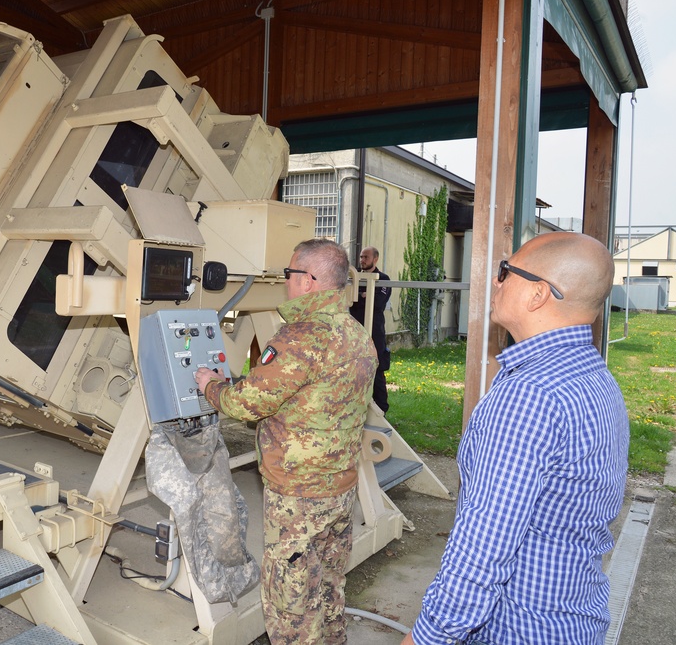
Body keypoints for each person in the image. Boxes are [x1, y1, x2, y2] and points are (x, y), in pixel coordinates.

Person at [403, 232, 629, 645]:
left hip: (518, 629)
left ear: (538, 294)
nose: (495, 281)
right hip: (573, 617)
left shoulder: (532, 393)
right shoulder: (594, 377)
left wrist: (427, 637)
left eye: (506, 272)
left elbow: (484, 548)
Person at [195, 239, 377, 645]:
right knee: (328, 587)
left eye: (289, 274)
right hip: (340, 488)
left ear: (308, 282)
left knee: (291, 605)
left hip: (298, 496)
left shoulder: (299, 338)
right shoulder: (356, 334)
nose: (286, 282)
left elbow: (248, 403)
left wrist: (211, 386)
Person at [349, 246, 391, 412]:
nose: (362, 260)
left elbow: (378, 303)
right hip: (355, 331)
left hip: (375, 332)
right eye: (361, 257)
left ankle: (381, 409)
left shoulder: (383, 279)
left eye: (366, 257)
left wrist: (361, 296)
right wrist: (363, 295)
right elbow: (348, 299)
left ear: (375, 259)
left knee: (377, 371)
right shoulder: (354, 277)